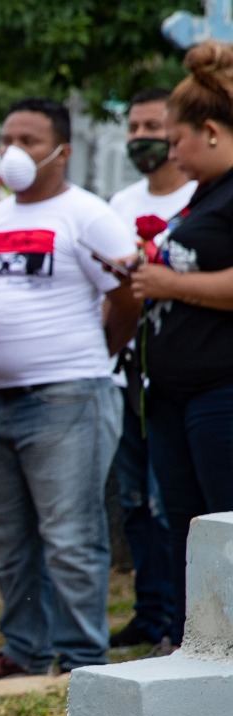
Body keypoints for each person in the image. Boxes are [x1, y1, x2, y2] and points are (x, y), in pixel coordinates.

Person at [0, 98, 139, 678]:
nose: (12, 152)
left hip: (68, 397)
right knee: (9, 540)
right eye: (6, 139)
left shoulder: (88, 215)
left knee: (70, 538)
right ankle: (25, 652)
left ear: (61, 151)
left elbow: (126, 297)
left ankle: (83, 660)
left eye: (28, 141)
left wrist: (93, 357)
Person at [131, 41, 233, 647]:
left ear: (212, 132)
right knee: (185, 526)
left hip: (220, 389)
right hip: (173, 391)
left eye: (177, 141)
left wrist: (171, 284)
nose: (170, 154)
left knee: (224, 522)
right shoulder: (203, 196)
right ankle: (190, 643)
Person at [106, 89, 196, 653]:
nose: (142, 136)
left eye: (153, 126)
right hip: (128, 372)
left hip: (178, 369)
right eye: (134, 126)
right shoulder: (120, 202)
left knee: (171, 504)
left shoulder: (198, 199)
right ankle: (150, 609)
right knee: (134, 499)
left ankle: (180, 622)